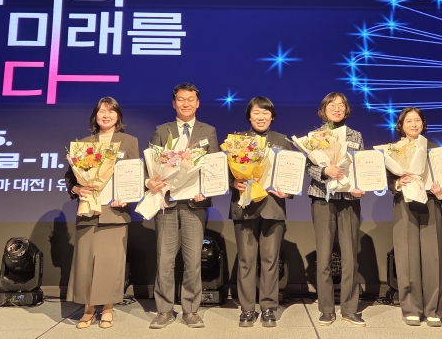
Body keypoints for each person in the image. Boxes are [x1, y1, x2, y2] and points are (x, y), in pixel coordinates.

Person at [147, 83, 219, 329]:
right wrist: (152, 182)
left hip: (194, 205)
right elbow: (152, 165)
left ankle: (190, 310)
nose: (185, 103)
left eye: (190, 99)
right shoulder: (162, 130)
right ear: (173, 103)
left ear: (197, 103)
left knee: (193, 259)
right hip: (167, 202)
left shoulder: (208, 131)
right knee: (164, 259)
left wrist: (205, 192)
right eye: (181, 99)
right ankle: (164, 310)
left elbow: (213, 167)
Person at [65, 96, 140, 329]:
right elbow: (70, 178)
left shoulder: (129, 142)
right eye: (101, 111)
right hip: (88, 210)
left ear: (118, 115)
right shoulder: (83, 143)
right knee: (85, 261)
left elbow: (135, 175)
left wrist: (126, 196)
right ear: (95, 116)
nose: (106, 115)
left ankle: (107, 308)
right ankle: (88, 309)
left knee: (110, 262)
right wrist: (78, 189)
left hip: (115, 212)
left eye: (110, 111)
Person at [305, 92, 366, 327]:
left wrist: (360, 185)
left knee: (350, 257)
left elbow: (362, 165)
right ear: (324, 109)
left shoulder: (355, 135)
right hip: (323, 198)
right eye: (332, 105)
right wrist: (324, 171)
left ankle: (350, 309)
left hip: (349, 198)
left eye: (341, 105)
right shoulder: (315, 136)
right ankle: (326, 309)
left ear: (346, 110)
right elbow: (308, 167)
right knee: (323, 256)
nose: (337, 108)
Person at [231, 97, 291, 328]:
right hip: (245, 205)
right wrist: (233, 182)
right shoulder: (237, 140)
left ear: (272, 117)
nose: (261, 117)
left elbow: (292, 172)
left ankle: (268, 307)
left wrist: (288, 190)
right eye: (256, 112)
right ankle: (247, 309)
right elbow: (226, 171)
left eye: (266, 113)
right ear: (249, 116)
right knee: (246, 260)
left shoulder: (282, 141)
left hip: (273, 207)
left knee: (270, 260)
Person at [387, 107, 442, 327]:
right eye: (409, 121)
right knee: (407, 257)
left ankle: (433, 309)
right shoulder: (392, 149)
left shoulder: (435, 149)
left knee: (433, 257)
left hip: (430, 203)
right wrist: (397, 183)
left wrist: (441, 192)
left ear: (423, 124)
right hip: (404, 203)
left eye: (417, 120)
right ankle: (411, 308)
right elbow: (386, 180)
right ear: (401, 125)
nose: (414, 124)